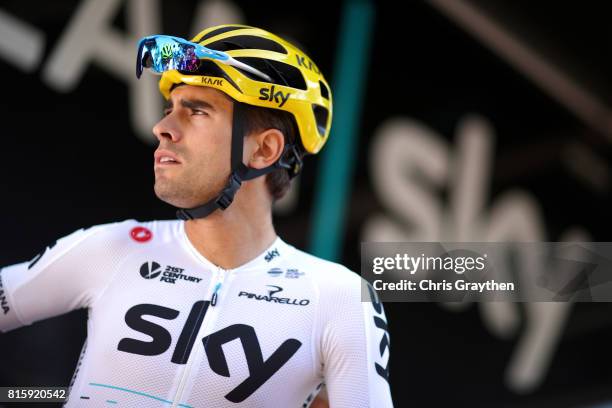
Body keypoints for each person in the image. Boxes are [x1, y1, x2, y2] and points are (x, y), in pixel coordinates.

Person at [0, 25, 392, 407]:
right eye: (170, 109)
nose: (162, 127)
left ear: (264, 150)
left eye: (197, 111)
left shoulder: (339, 298)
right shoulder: (111, 247)